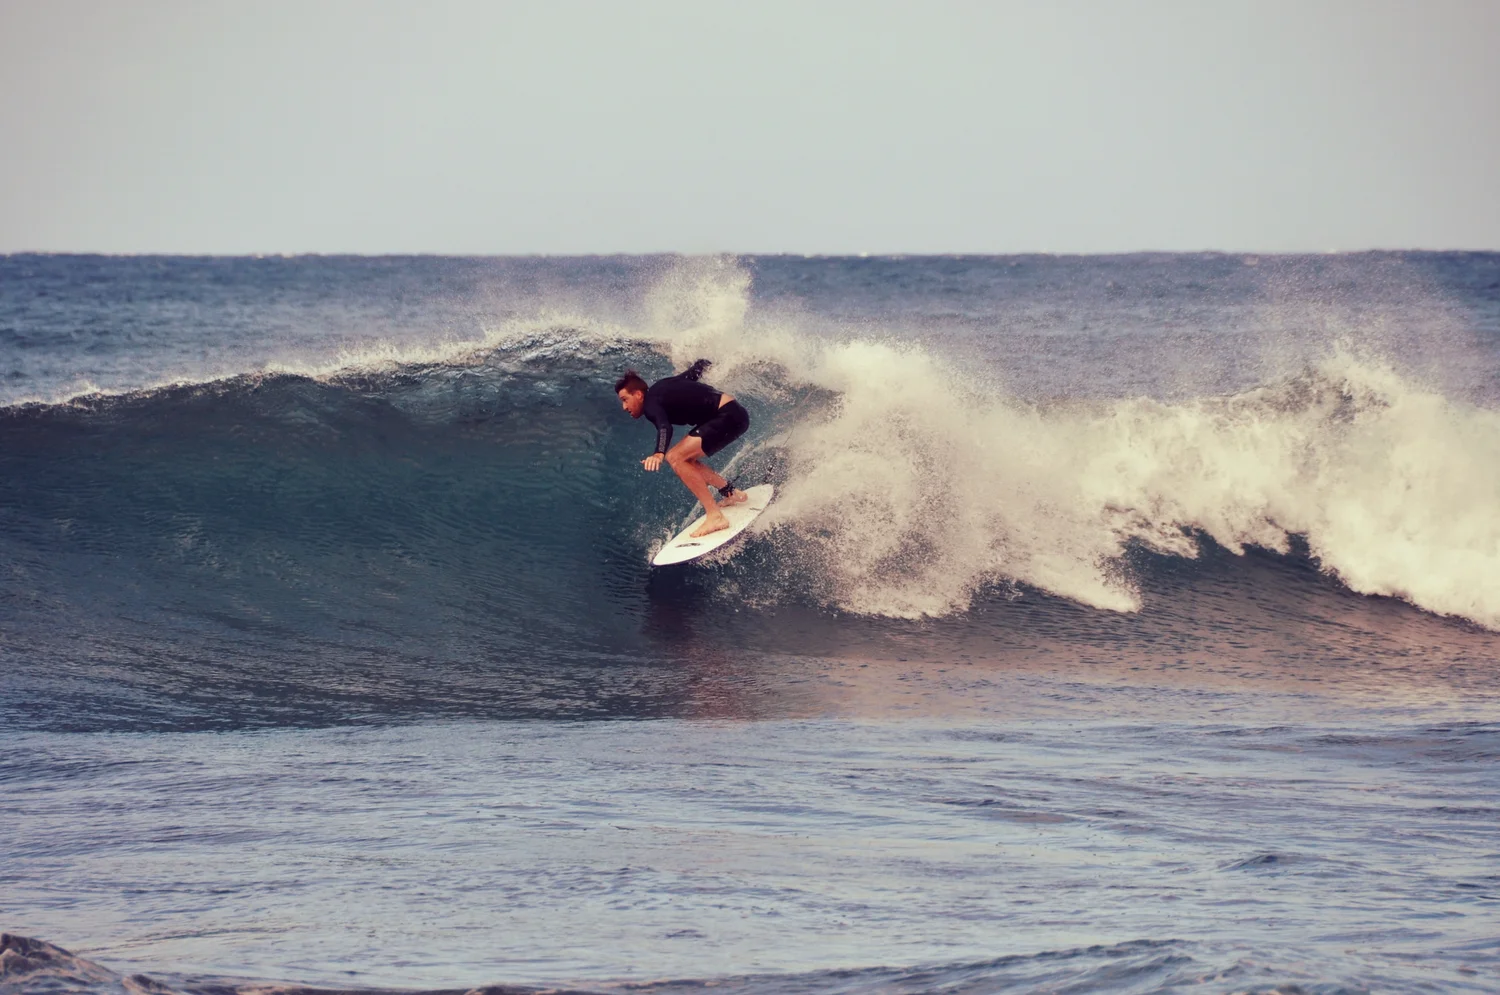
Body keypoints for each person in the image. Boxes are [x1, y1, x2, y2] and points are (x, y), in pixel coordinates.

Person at [615, 359, 750, 537]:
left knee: (675, 457)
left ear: (639, 395)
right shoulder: (662, 387)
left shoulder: (650, 405)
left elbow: (665, 427)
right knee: (686, 460)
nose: (624, 407)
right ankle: (731, 493)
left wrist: (658, 453)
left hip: (727, 416)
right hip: (733, 414)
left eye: (625, 400)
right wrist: (704, 362)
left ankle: (715, 516)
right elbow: (691, 375)